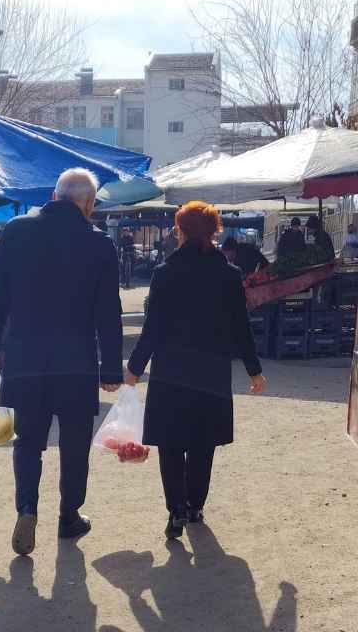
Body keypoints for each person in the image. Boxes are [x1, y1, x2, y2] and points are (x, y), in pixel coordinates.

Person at [0, 168, 123, 556]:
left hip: (25, 360)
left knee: (28, 442)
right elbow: (107, 313)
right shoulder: (98, 245)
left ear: (54, 194)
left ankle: (27, 508)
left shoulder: (15, 231)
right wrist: (111, 367)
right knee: (74, 445)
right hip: (76, 364)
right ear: (89, 204)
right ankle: (69, 516)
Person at [124, 201, 266, 539]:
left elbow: (153, 327)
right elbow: (240, 327)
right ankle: (195, 506)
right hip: (211, 371)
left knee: (171, 443)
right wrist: (254, 370)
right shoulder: (228, 275)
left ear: (180, 231)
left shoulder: (165, 273)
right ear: (216, 232)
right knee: (203, 443)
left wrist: (134, 367)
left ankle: (175, 510)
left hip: (170, 371)